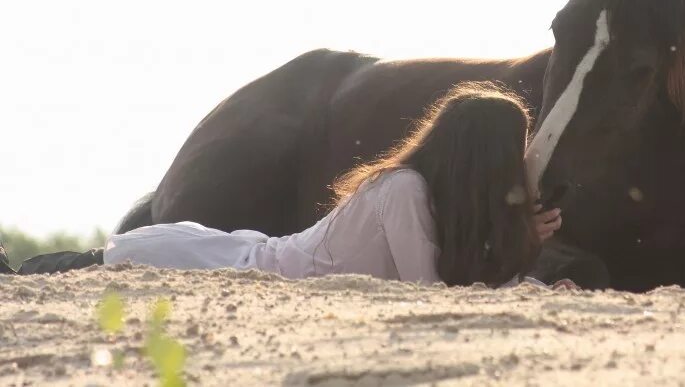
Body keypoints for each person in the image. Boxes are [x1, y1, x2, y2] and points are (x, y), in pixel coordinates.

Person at [2, 82, 575, 289]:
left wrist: (526, 253)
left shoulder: (424, 197)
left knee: (89, 264)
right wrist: (521, 249)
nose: (521, 160)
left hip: (245, 257)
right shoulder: (403, 191)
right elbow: (426, 289)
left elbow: (454, 278)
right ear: (481, 156)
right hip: (235, 264)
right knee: (81, 266)